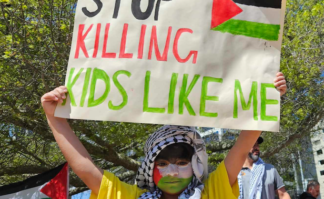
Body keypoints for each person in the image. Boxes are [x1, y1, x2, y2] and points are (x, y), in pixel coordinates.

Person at [41, 72, 286, 199]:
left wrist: (267, 100)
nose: (171, 172)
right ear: (150, 167)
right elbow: (84, 167)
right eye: (163, 163)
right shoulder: (131, 196)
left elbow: (243, 145)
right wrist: (54, 117)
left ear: (195, 167)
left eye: (181, 163)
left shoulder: (213, 192)